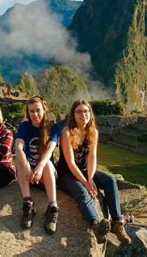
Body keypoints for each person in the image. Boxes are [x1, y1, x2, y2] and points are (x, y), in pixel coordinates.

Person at [56, 99, 131, 244]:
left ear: (90, 114)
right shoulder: (67, 132)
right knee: (83, 193)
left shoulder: (93, 132)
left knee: (110, 179)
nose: (83, 114)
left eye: (86, 111)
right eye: (78, 111)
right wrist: (85, 183)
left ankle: (117, 222)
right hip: (67, 174)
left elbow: (92, 157)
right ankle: (96, 225)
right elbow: (70, 163)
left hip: (85, 171)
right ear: (73, 114)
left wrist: (90, 178)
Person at [15, 96, 60, 234]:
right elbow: (18, 146)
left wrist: (39, 167)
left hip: (46, 176)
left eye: (38, 110)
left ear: (44, 110)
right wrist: (27, 167)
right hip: (29, 176)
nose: (35, 115)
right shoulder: (25, 126)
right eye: (31, 111)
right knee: (20, 160)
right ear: (28, 113)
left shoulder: (54, 127)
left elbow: (50, 149)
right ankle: (28, 204)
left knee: (46, 163)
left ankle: (52, 207)